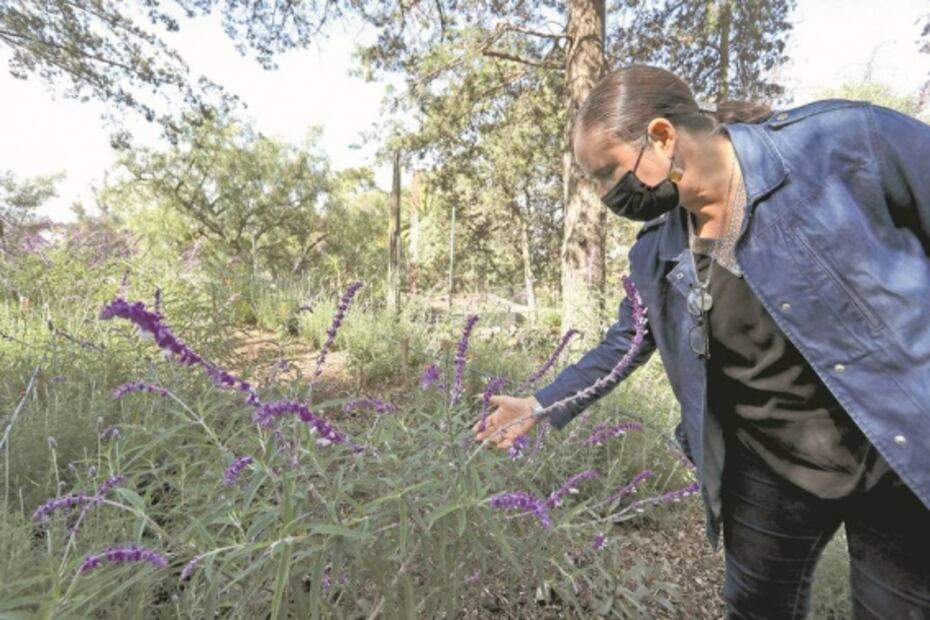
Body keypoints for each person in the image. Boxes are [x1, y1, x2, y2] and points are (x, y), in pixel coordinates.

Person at [472, 64, 930, 618]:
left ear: (662, 137)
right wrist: (542, 402)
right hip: (767, 471)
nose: (602, 195)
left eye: (607, 172)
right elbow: (627, 341)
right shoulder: (657, 251)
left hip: (900, 454)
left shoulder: (845, 145)